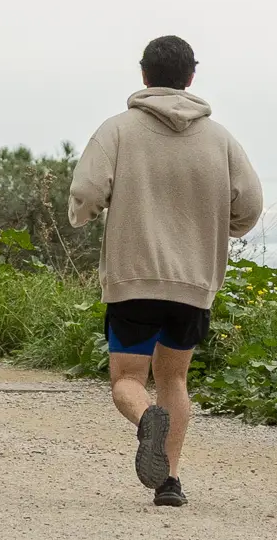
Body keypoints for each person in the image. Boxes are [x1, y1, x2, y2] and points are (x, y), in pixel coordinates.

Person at [69, 35, 264, 508]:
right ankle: (169, 482)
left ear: (143, 75)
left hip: (133, 278)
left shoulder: (117, 130)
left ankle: (146, 421)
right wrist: (225, 228)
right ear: (191, 76)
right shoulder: (221, 140)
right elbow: (251, 204)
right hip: (194, 283)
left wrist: (85, 216)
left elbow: (87, 189)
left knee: (127, 381)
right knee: (174, 379)